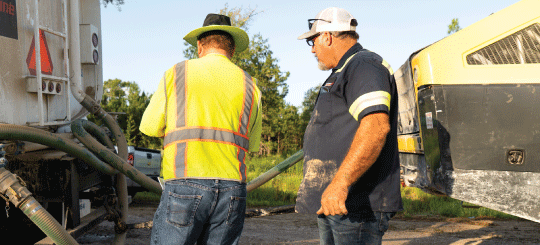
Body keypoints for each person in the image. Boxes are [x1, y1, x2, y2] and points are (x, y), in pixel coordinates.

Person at [139, 13, 262, 245]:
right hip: (232, 189)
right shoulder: (250, 85)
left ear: (199, 45)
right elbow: (252, 144)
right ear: (232, 49)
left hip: (185, 182)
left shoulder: (177, 73)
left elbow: (149, 126)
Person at [295, 7, 403, 245]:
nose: (312, 49)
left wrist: (340, 184)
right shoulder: (344, 69)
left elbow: (376, 127)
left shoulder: (364, 65)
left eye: (313, 41)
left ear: (327, 36)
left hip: (356, 203)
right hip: (335, 201)